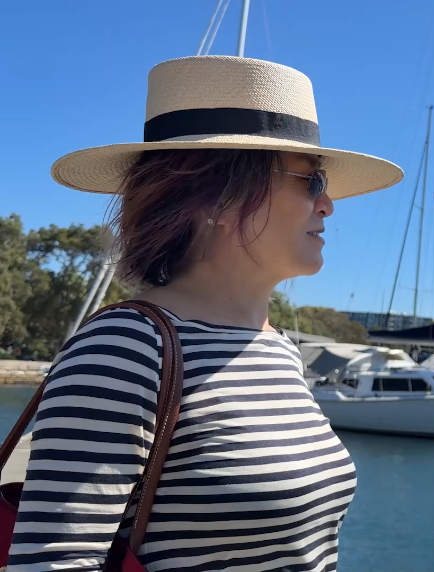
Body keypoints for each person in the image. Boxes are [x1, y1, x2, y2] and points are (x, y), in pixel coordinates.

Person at [8, 56, 402, 572]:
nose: (327, 204)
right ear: (216, 195)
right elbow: (53, 561)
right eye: (310, 180)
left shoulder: (278, 349)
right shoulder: (126, 347)